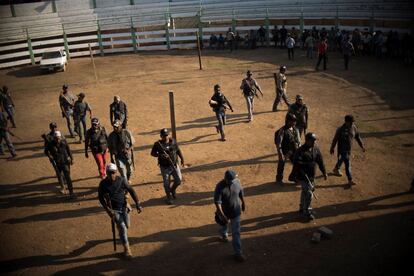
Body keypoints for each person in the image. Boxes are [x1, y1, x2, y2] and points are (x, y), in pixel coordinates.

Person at [98, 163, 143, 259]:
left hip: (124, 207)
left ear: (116, 172)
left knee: (127, 225)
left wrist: (138, 204)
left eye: (113, 173)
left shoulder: (122, 180)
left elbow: (131, 190)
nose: (111, 175)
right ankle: (127, 249)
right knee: (122, 227)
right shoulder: (103, 184)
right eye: (109, 173)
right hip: (114, 210)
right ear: (106, 172)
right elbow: (101, 198)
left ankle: (122, 233)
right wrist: (108, 210)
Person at [293, 132, 327, 220]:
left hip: (312, 176)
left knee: (305, 192)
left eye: (315, 141)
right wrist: (300, 173)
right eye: (312, 141)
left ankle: (302, 207)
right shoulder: (300, 151)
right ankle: (307, 212)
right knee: (309, 194)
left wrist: (324, 172)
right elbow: (296, 164)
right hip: (303, 177)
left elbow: (320, 161)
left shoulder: (315, 149)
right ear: (307, 141)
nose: (314, 142)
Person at [214, 170, 246, 262]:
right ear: (226, 179)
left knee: (236, 233)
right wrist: (222, 215)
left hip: (236, 211)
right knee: (222, 224)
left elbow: (241, 192)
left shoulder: (237, 181)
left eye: (234, 179)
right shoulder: (219, 186)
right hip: (224, 211)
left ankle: (238, 253)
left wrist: (243, 202)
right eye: (231, 180)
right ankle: (224, 235)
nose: (233, 182)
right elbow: (217, 202)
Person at [151, 128, 185, 205]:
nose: (165, 137)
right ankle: (168, 197)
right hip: (164, 167)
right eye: (163, 136)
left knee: (178, 180)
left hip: (174, 165)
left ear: (169, 135)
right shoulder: (157, 144)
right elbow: (152, 153)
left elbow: (178, 150)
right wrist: (160, 155)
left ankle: (172, 190)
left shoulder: (173, 142)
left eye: (166, 135)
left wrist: (182, 159)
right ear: (161, 136)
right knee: (166, 183)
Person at [330, 115, 365, 186]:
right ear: (346, 122)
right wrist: (332, 147)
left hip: (349, 149)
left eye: (352, 122)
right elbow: (335, 139)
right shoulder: (340, 129)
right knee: (347, 164)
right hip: (342, 150)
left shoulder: (354, 127)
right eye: (351, 122)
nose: (352, 123)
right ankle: (350, 179)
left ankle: (336, 169)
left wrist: (362, 146)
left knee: (343, 159)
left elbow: (357, 137)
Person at [45, 131, 75, 198]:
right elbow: (46, 151)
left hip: (65, 162)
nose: (58, 140)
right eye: (56, 138)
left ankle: (71, 192)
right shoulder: (50, 144)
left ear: (60, 137)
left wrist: (72, 158)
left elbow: (68, 150)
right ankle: (66, 189)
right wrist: (50, 156)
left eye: (59, 138)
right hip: (57, 163)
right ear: (54, 138)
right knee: (60, 176)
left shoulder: (64, 142)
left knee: (67, 176)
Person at [274, 113, 301, 184]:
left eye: (294, 121)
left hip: (293, 150)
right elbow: (278, 143)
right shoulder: (282, 130)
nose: (294, 122)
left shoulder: (295, 129)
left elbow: (298, 141)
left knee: (297, 163)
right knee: (281, 164)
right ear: (287, 121)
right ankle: (279, 179)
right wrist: (280, 154)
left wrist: (299, 149)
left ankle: (293, 177)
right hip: (285, 151)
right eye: (292, 121)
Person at [42, 122, 66, 193]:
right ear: (50, 128)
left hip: (62, 157)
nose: (54, 128)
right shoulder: (48, 137)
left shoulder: (60, 134)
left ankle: (63, 180)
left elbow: (65, 145)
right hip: (54, 158)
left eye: (55, 127)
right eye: (52, 127)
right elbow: (46, 150)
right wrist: (50, 157)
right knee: (59, 173)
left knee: (64, 172)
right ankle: (63, 187)